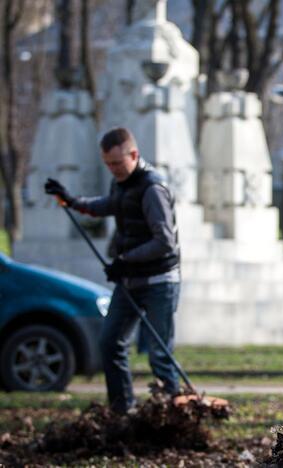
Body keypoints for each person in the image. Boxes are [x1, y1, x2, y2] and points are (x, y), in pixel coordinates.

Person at [44, 127, 181, 413]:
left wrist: (125, 260)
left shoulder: (153, 188)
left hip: (159, 281)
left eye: (118, 163)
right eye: (108, 164)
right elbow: (109, 205)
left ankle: (173, 415)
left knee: (159, 353)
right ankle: (122, 412)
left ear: (134, 154)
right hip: (129, 279)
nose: (113, 170)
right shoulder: (121, 184)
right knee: (110, 342)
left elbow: (164, 242)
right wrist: (72, 201)